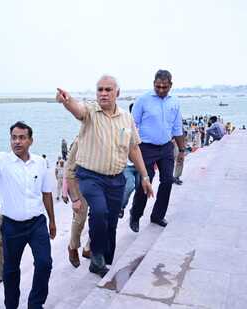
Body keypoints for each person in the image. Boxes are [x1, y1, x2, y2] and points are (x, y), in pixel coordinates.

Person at [56, 75, 154, 278]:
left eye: (108, 89)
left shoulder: (127, 118)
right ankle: (97, 257)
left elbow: (133, 148)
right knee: (99, 212)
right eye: (100, 89)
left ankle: (100, 257)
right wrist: (67, 101)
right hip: (90, 176)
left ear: (117, 92)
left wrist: (145, 177)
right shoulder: (91, 111)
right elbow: (78, 109)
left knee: (110, 220)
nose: (103, 93)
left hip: (116, 178)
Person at [0, 121, 56, 309]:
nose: (17, 141)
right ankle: (11, 306)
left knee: (45, 263)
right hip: (12, 226)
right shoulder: (3, 160)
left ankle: (35, 304)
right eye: (14, 137)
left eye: (22, 137)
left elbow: (46, 193)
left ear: (31, 140)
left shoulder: (40, 162)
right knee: (11, 271)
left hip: (37, 223)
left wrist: (52, 221)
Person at [130, 69, 186, 232]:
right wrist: (132, 149)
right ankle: (135, 214)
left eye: (165, 87)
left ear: (171, 85)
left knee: (168, 180)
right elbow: (132, 125)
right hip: (145, 148)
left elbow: (177, 127)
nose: (161, 90)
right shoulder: (143, 100)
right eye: (158, 86)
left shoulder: (175, 102)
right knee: (145, 182)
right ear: (153, 84)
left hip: (166, 147)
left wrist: (181, 150)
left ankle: (157, 216)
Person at [62, 137, 91, 267]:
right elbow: (68, 171)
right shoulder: (79, 141)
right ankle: (73, 247)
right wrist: (67, 194)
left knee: (101, 216)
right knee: (80, 217)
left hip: (98, 181)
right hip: (78, 183)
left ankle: (89, 247)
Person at [119, 103, 140, 219]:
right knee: (129, 186)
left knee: (140, 189)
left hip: (140, 164)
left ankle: (135, 210)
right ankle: (121, 207)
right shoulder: (124, 126)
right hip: (127, 165)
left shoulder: (145, 126)